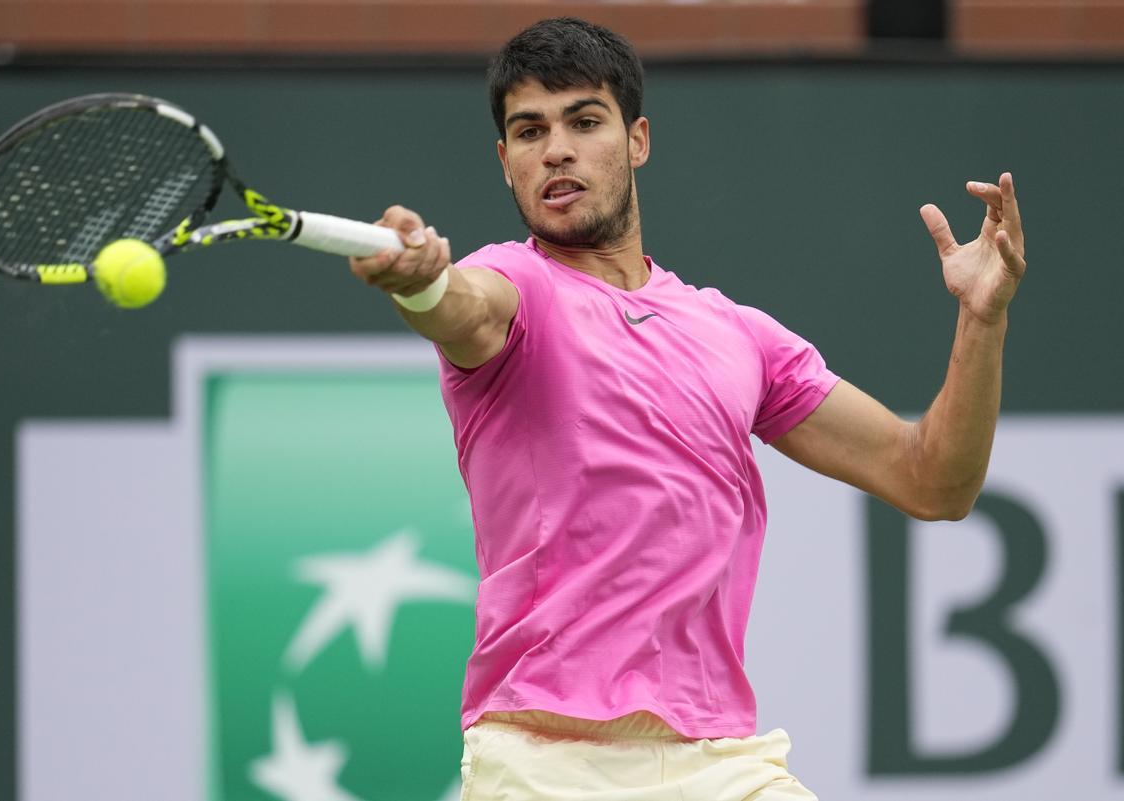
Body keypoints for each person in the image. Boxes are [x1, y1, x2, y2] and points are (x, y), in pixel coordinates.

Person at [349, 17, 1026, 801]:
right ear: (506, 163)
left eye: (584, 121)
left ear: (637, 140)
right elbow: (461, 308)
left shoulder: (738, 334)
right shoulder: (512, 285)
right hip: (545, 759)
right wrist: (420, 279)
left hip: (721, 761)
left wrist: (983, 317)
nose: (557, 150)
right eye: (529, 131)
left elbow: (934, 482)